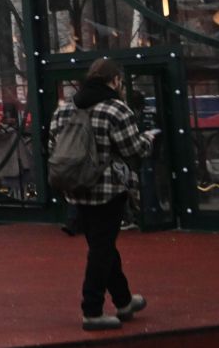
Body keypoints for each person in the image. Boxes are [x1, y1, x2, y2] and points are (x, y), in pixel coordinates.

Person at [51, 57, 151, 332]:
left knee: (102, 245)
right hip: (108, 189)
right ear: (115, 80)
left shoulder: (65, 109)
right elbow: (133, 149)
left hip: (76, 188)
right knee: (102, 248)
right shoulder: (116, 109)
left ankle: (124, 300)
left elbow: (54, 143)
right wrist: (149, 140)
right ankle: (92, 310)